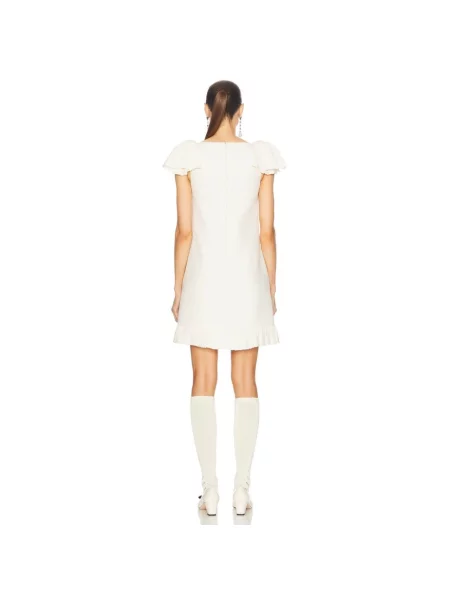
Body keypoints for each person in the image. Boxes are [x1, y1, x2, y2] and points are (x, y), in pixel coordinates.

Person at [163, 80, 285, 516]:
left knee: (202, 381)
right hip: (247, 279)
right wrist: (271, 284)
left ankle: (209, 489)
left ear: (206, 109)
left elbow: (184, 231)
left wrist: (178, 286)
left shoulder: (190, 156)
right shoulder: (259, 157)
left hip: (203, 280)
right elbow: (267, 231)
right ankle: (242, 490)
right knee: (246, 382)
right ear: (241, 110)